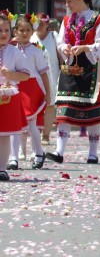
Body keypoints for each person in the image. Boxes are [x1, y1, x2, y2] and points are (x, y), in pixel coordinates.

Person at [46, 0, 100, 164]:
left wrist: (85, 48)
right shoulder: (67, 21)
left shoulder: (98, 20)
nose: (67, 5)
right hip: (70, 68)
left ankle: (93, 153)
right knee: (65, 108)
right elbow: (60, 42)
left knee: (93, 112)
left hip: (90, 69)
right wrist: (65, 48)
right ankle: (59, 151)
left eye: (69, 1)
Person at [7, 14, 51, 170]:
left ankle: (38, 153)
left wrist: (48, 92)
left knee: (31, 124)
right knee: (14, 124)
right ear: (15, 32)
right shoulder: (10, 49)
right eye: (21, 30)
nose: (24, 33)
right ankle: (13, 158)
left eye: (27, 30)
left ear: (32, 31)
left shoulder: (36, 51)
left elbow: (44, 73)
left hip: (32, 88)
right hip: (16, 87)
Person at [0, 11, 30, 181]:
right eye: (0, 31)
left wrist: (10, 74)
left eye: (6, 30)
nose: (4, 34)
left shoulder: (14, 51)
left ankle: (2, 168)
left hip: (8, 95)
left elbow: (25, 74)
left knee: (4, 134)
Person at [30, 12, 60, 146]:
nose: (38, 27)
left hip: (52, 76)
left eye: (41, 24)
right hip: (35, 78)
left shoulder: (54, 36)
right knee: (34, 106)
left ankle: (46, 135)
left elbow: (61, 55)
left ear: (47, 24)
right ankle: (34, 132)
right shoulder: (31, 37)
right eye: (36, 24)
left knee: (50, 105)